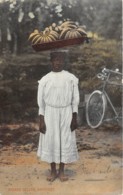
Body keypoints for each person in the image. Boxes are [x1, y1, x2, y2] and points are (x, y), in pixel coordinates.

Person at [37, 49, 80, 182]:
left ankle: (61, 171)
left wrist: (74, 117)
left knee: (64, 139)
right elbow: (41, 103)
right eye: (55, 60)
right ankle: (53, 171)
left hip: (66, 112)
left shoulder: (70, 78)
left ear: (64, 62)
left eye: (61, 60)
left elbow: (75, 99)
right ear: (51, 62)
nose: (58, 63)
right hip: (50, 113)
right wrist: (41, 120)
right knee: (51, 140)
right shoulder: (45, 79)